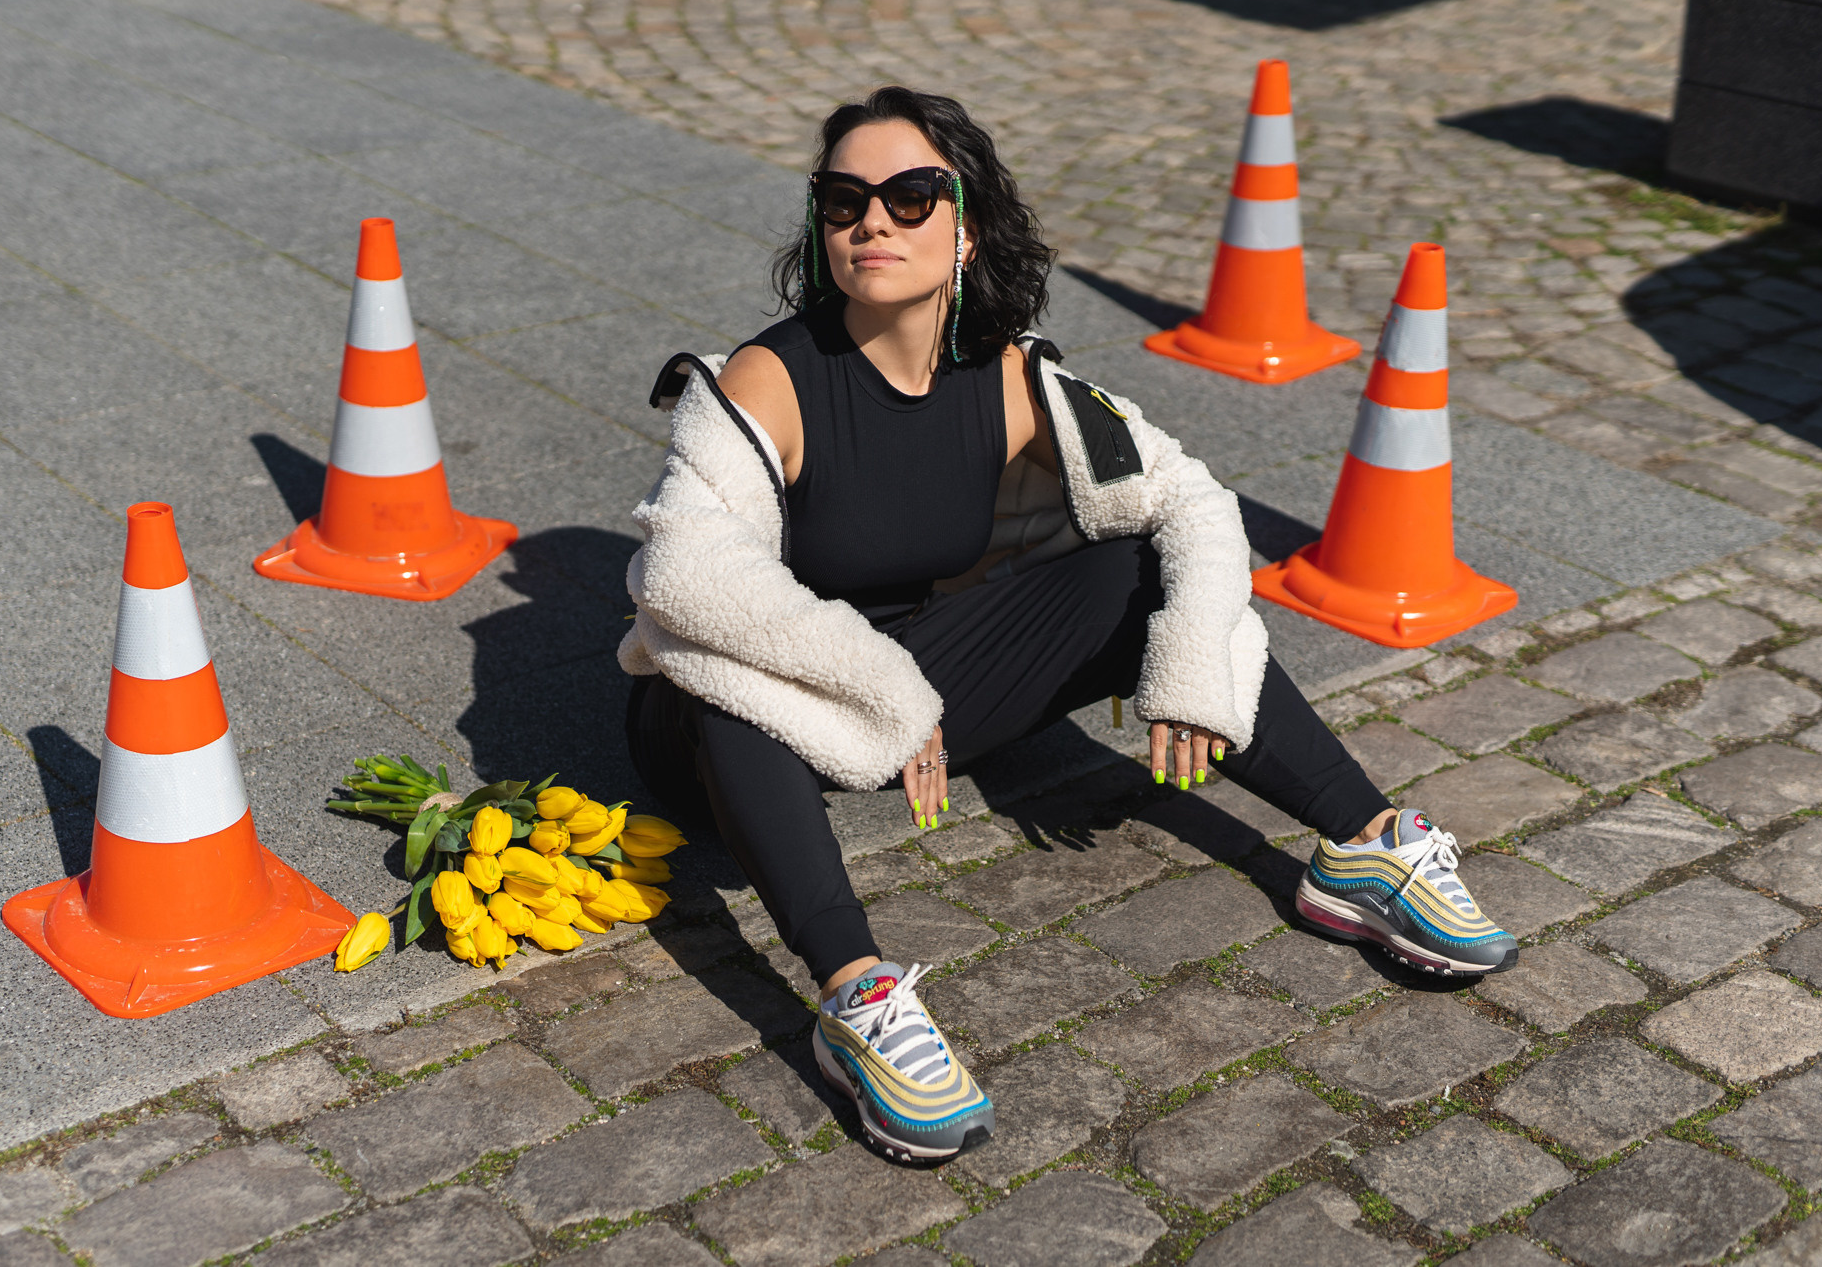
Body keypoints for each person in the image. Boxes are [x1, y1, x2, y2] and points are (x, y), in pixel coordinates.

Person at [620, 86, 1516, 1162]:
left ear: (967, 227)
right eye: (844, 198)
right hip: (740, 721)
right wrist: (886, 686)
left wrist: (1188, 663)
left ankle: (1362, 845)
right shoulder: (766, 377)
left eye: (910, 196)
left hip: (912, 697)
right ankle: (858, 998)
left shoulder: (1011, 373)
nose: (872, 222)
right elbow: (685, 576)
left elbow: (1191, 501)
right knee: (717, 679)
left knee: (1135, 570)